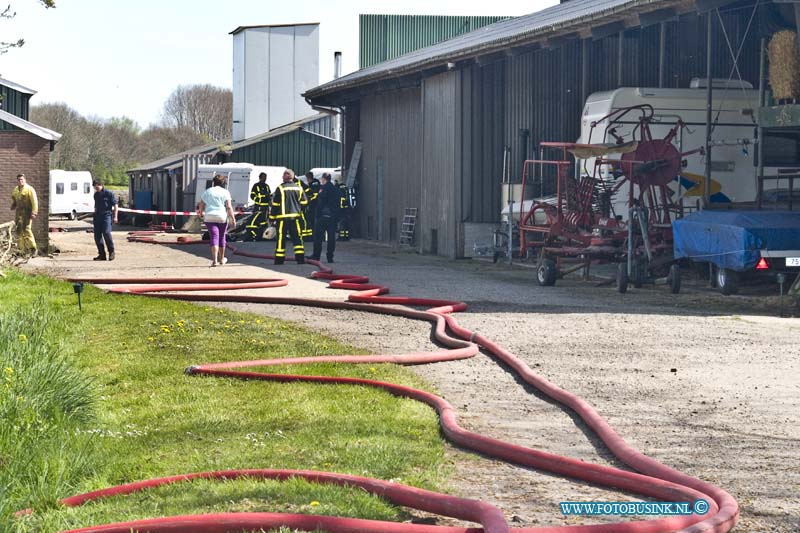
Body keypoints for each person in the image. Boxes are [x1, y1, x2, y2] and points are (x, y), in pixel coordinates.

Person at [270, 168, 307, 265]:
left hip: (282, 219)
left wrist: (272, 218)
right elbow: (305, 202)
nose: (282, 177)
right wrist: (299, 209)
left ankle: (279, 260)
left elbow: (275, 205)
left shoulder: (280, 188)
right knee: (297, 238)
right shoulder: (299, 188)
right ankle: (300, 259)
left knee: (281, 239)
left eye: (283, 175)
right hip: (295, 218)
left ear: (287, 177)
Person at [197, 174, 236, 267]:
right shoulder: (225, 192)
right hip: (221, 217)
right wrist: (233, 219)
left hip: (209, 217)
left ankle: (214, 260)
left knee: (214, 237)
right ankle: (222, 259)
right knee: (222, 237)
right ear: (223, 183)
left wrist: (201, 213)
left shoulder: (207, 191)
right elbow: (229, 207)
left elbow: (201, 204)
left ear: (213, 182)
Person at [310, 172, 341, 263]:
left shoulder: (323, 189)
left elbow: (321, 202)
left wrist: (317, 213)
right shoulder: (336, 189)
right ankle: (330, 257)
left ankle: (316, 256)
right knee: (331, 238)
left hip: (323, 216)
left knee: (318, 237)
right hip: (333, 217)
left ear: (324, 179)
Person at [10, 173, 38, 256]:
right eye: (19, 180)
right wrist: (13, 205)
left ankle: (33, 249)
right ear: (17, 181)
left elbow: (34, 201)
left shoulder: (29, 189)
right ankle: (21, 250)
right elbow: (15, 199)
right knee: (18, 230)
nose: (20, 181)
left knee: (27, 230)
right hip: (18, 213)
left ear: (25, 180)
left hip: (27, 213)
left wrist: (34, 212)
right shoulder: (16, 189)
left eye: (22, 179)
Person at [92, 179, 118, 261]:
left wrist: (115, 216)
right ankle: (102, 254)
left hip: (106, 216)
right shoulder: (96, 195)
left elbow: (115, 206)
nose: (97, 188)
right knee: (97, 236)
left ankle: (111, 252)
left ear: (101, 185)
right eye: (95, 187)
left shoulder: (109, 194)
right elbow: (96, 206)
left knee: (106, 233)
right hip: (97, 217)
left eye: (98, 186)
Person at [245, 172, 271, 241]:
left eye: (265, 178)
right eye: (263, 177)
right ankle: (253, 235)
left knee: (263, 222)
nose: (264, 179)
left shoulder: (267, 186)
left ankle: (261, 236)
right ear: (260, 178)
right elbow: (252, 195)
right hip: (258, 207)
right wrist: (259, 200)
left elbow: (269, 195)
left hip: (265, 208)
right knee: (256, 221)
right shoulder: (256, 186)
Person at [302, 171, 320, 239]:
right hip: (316, 204)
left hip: (314, 205)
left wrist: (308, 200)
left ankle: (311, 235)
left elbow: (313, 195)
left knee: (311, 220)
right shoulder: (315, 182)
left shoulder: (313, 184)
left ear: (309, 177)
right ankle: (312, 235)